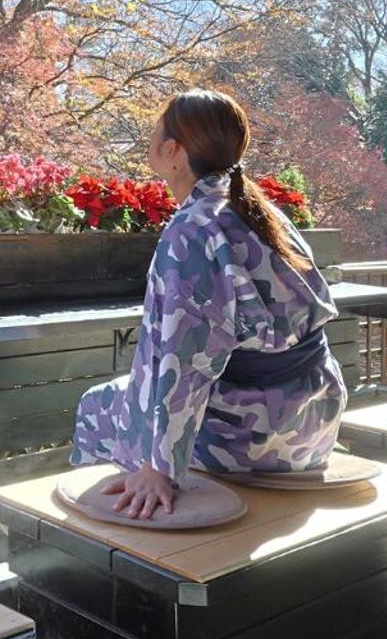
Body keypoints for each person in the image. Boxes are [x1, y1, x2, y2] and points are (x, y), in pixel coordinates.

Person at [71, 90, 342, 521]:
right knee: (133, 398)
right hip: (314, 417)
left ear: (173, 151)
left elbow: (185, 363)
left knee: (95, 406)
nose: (150, 135)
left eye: (156, 128)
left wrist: (159, 467)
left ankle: (115, 545)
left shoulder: (194, 230)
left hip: (253, 437)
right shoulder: (256, 209)